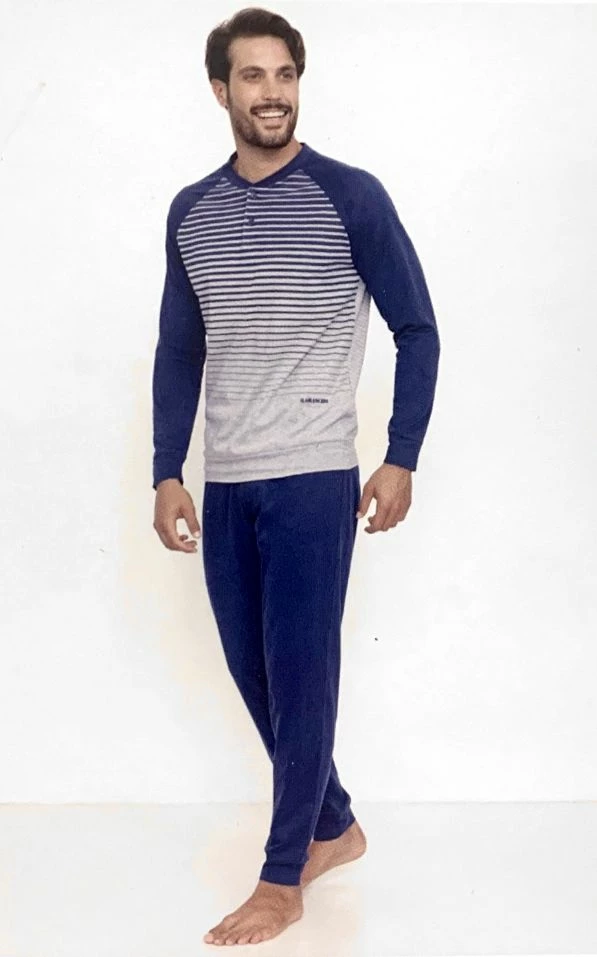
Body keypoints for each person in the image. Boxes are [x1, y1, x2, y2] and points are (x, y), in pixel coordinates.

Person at [151, 6, 440, 947]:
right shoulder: (191, 211)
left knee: (302, 673)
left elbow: (417, 327)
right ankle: (334, 823)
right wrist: (166, 469)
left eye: (284, 74)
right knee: (255, 671)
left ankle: (283, 877)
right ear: (220, 91)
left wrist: (400, 453)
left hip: (314, 474)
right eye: (252, 76)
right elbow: (179, 347)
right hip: (227, 479)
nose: (271, 92)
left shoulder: (349, 195)